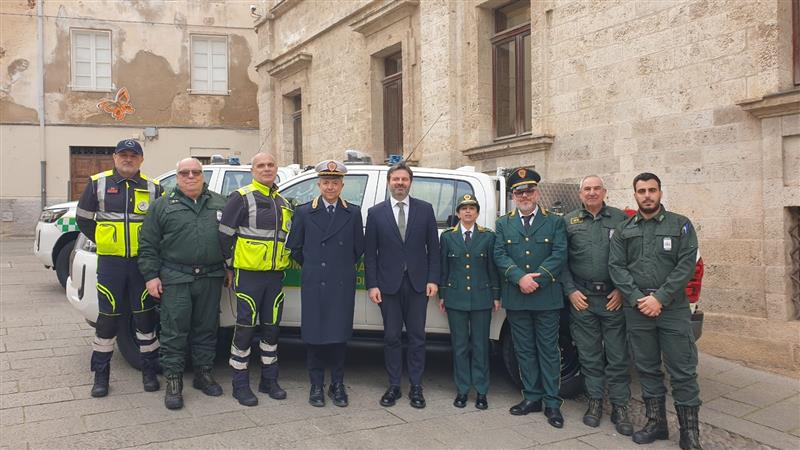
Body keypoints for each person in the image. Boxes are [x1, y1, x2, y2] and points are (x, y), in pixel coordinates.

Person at [609, 172, 702, 450]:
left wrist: (659, 298)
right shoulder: (625, 229)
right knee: (647, 368)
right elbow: (617, 267)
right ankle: (656, 422)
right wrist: (639, 299)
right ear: (634, 194)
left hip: (672, 309)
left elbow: (685, 266)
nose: (647, 195)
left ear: (660, 192)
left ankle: (690, 432)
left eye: (652, 190)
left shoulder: (681, 225)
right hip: (637, 310)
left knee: (683, 370)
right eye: (641, 191)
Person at [75, 139, 163, 397]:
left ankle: (149, 371)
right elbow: (84, 219)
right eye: (123, 155)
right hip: (111, 264)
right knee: (108, 320)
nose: (128, 159)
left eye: (133, 155)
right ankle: (101, 376)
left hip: (141, 263)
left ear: (141, 160)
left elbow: (161, 225)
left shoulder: (154, 187)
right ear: (114, 157)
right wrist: (106, 240)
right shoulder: (97, 183)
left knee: (145, 318)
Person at [138, 158, 228, 410]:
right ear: (177, 177)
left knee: (207, 328)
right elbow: (147, 245)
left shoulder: (220, 202)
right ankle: (174, 380)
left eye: (196, 172)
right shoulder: (162, 206)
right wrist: (150, 276)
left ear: (203, 175)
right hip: (176, 278)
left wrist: (230, 267)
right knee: (174, 332)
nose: (191, 176)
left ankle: (203, 373)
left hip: (210, 277)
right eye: (185, 172)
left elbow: (231, 239)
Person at [493, 167, 567, 428]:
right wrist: (519, 278)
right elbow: (500, 255)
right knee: (523, 350)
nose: (524, 195)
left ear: (537, 193)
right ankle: (532, 397)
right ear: (513, 196)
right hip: (517, 296)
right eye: (519, 192)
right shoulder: (503, 224)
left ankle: (552, 403)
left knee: (548, 351)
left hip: (546, 296)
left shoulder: (555, 221)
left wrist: (538, 279)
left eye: (529, 190)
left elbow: (559, 254)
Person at [286, 160, 365, 408]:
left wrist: (337, 266)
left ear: (342, 185)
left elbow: (357, 249)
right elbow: (295, 249)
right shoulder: (303, 212)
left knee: (339, 336)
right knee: (315, 336)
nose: (330, 187)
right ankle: (316, 385)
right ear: (318, 185)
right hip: (314, 282)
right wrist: (314, 265)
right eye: (326, 182)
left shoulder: (352, 212)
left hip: (341, 282)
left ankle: (337, 384)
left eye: (335, 182)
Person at [218, 152, 293, 406]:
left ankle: (269, 380)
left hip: (274, 276)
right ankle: (240, 384)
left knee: (272, 329)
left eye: (271, 164)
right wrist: (229, 267)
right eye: (261, 165)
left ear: (276, 169)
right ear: (253, 170)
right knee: (245, 330)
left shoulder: (283, 202)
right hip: (248, 275)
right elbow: (225, 236)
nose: (267, 169)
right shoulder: (241, 197)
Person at [561, 175, 633, 434]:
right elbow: (562, 261)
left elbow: (631, 259)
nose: (591, 193)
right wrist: (570, 292)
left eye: (596, 189)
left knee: (617, 357)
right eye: (587, 189)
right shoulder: (568, 222)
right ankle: (594, 403)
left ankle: (620, 406)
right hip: (583, 300)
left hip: (613, 299)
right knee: (589, 356)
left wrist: (623, 292)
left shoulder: (621, 220)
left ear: (604, 192)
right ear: (580, 194)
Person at [364, 162, 440, 409]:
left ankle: (416, 387)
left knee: (417, 338)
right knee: (392, 337)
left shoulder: (425, 210)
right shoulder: (376, 213)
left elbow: (434, 249)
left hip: (418, 285)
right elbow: (370, 254)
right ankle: (394, 385)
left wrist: (433, 279)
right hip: (388, 286)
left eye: (404, 179)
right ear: (389, 182)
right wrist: (372, 284)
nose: (399, 183)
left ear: (410, 182)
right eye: (395, 179)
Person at [438, 194, 500, 410]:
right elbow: (443, 268)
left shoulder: (488, 237)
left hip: (482, 298)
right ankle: (463, 389)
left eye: (472, 208)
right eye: (463, 208)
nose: (467, 212)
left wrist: (496, 295)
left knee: (481, 346)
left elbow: (493, 268)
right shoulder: (447, 237)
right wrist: (443, 295)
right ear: (457, 213)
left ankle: (482, 391)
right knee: (460, 346)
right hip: (455, 298)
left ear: (477, 213)